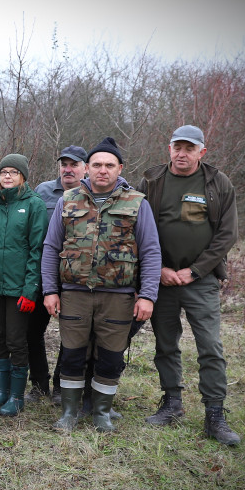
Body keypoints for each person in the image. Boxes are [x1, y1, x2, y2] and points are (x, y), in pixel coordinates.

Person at [42, 138, 160, 432]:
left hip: (118, 296)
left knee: (110, 355)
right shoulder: (67, 201)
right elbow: (50, 247)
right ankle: (69, 412)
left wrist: (147, 296)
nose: (102, 170)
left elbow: (150, 251)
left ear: (120, 168)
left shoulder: (137, 203)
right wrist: (50, 290)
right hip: (74, 294)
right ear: (87, 169)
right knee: (72, 353)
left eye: (109, 165)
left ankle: (101, 412)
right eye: (97, 165)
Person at [138, 125, 241, 446]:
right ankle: (172, 403)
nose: (182, 154)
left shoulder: (218, 183)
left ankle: (215, 414)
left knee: (210, 347)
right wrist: (161, 270)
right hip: (162, 279)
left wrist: (195, 271)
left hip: (201, 281)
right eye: (177, 147)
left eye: (189, 148)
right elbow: (138, 228)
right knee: (165, 344)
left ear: (202, 152)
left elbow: (227, 234)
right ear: (169, 148)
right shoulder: (152, 181)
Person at [0, 153, 47, 417]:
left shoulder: (34, 204)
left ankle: (16, 396)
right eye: (4, 172)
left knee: (16, 340)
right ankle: (0, 392)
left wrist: (30, 289)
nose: (8, 176)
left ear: (23, 176)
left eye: (14, 172)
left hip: (18, 288)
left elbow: (37, 250)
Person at [31, 146, 88, 401]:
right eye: (64, 164)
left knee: (71, 334)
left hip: (77, 277)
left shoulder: (93, 193)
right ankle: (38, 384)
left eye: (74, 164)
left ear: (85, 167)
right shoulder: (42, 191)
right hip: (44, 273)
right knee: (32, 331)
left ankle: (61, 384)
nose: (68, 169)